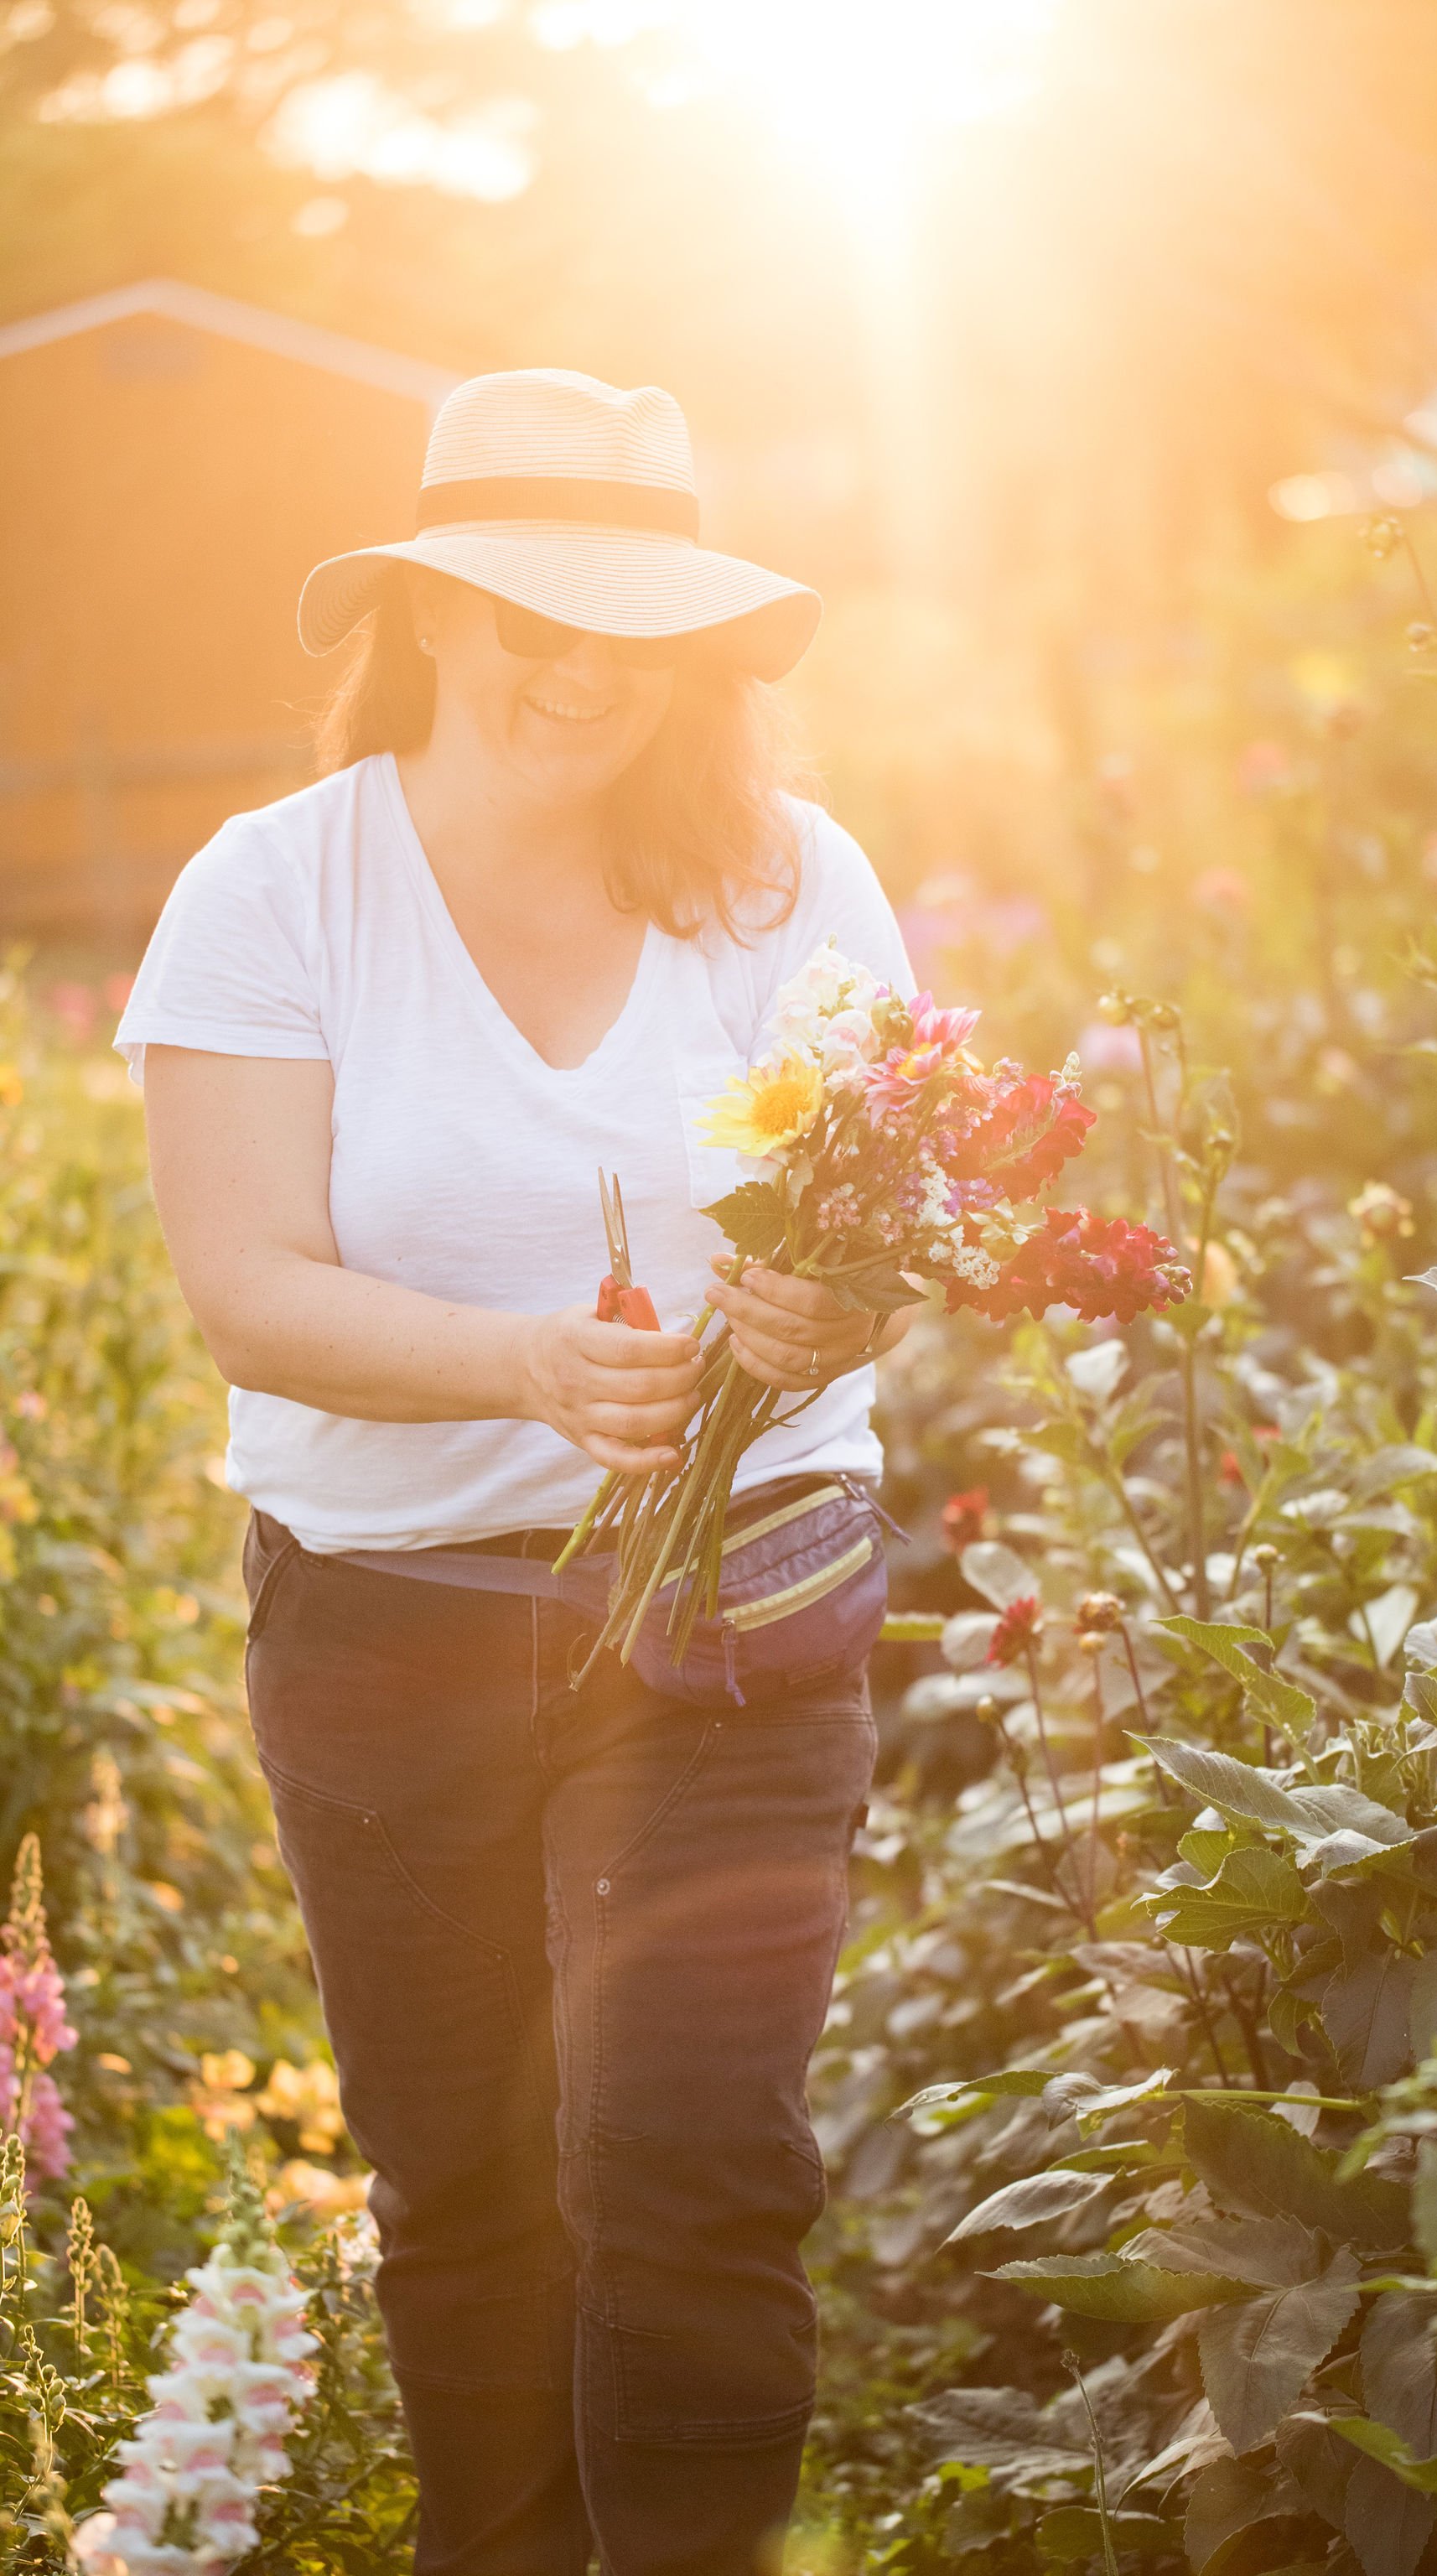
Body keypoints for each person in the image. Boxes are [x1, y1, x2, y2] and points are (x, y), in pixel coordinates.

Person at [117, 366, 916, 2576]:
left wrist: (829, 1312)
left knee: (689, 2173)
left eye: (634, 623)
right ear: (428, 607)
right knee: (467, 2197)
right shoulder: (275, 892)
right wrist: (524, 1367)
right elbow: (248, 1287)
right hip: (393, 1625)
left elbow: (873, 1230)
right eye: (527, 609)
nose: (582, 665)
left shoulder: (790, 883)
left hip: (735, 1607)